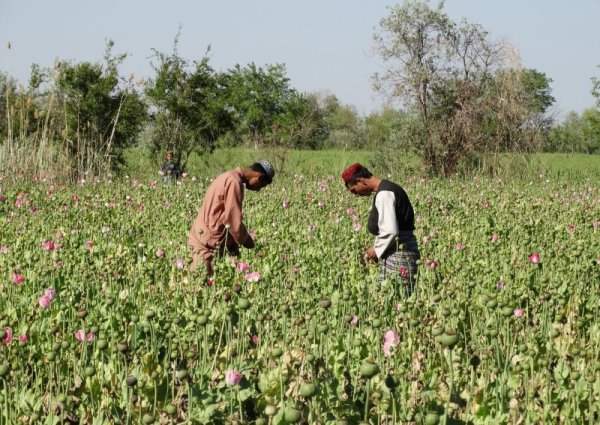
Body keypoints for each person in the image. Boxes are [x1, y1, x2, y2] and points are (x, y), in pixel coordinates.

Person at [341, 163, 420, 296]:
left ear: (360, 181)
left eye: (354, 190)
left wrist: (375, 251)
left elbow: (390, 231)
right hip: (401, 252)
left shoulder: (385, 194)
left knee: (396, 299)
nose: (356, 195)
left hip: (400, 255)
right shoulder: (389, 189)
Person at [188, 160, 275, 276]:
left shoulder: (228, 176)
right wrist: (248, 241)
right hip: (204, 244)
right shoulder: (234, 182)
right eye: (261, 186)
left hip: (205, 237)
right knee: (198, 283)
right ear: (259, 177)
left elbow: (222, 215)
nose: (258, 190)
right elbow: (233, 222)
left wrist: (232, 245)